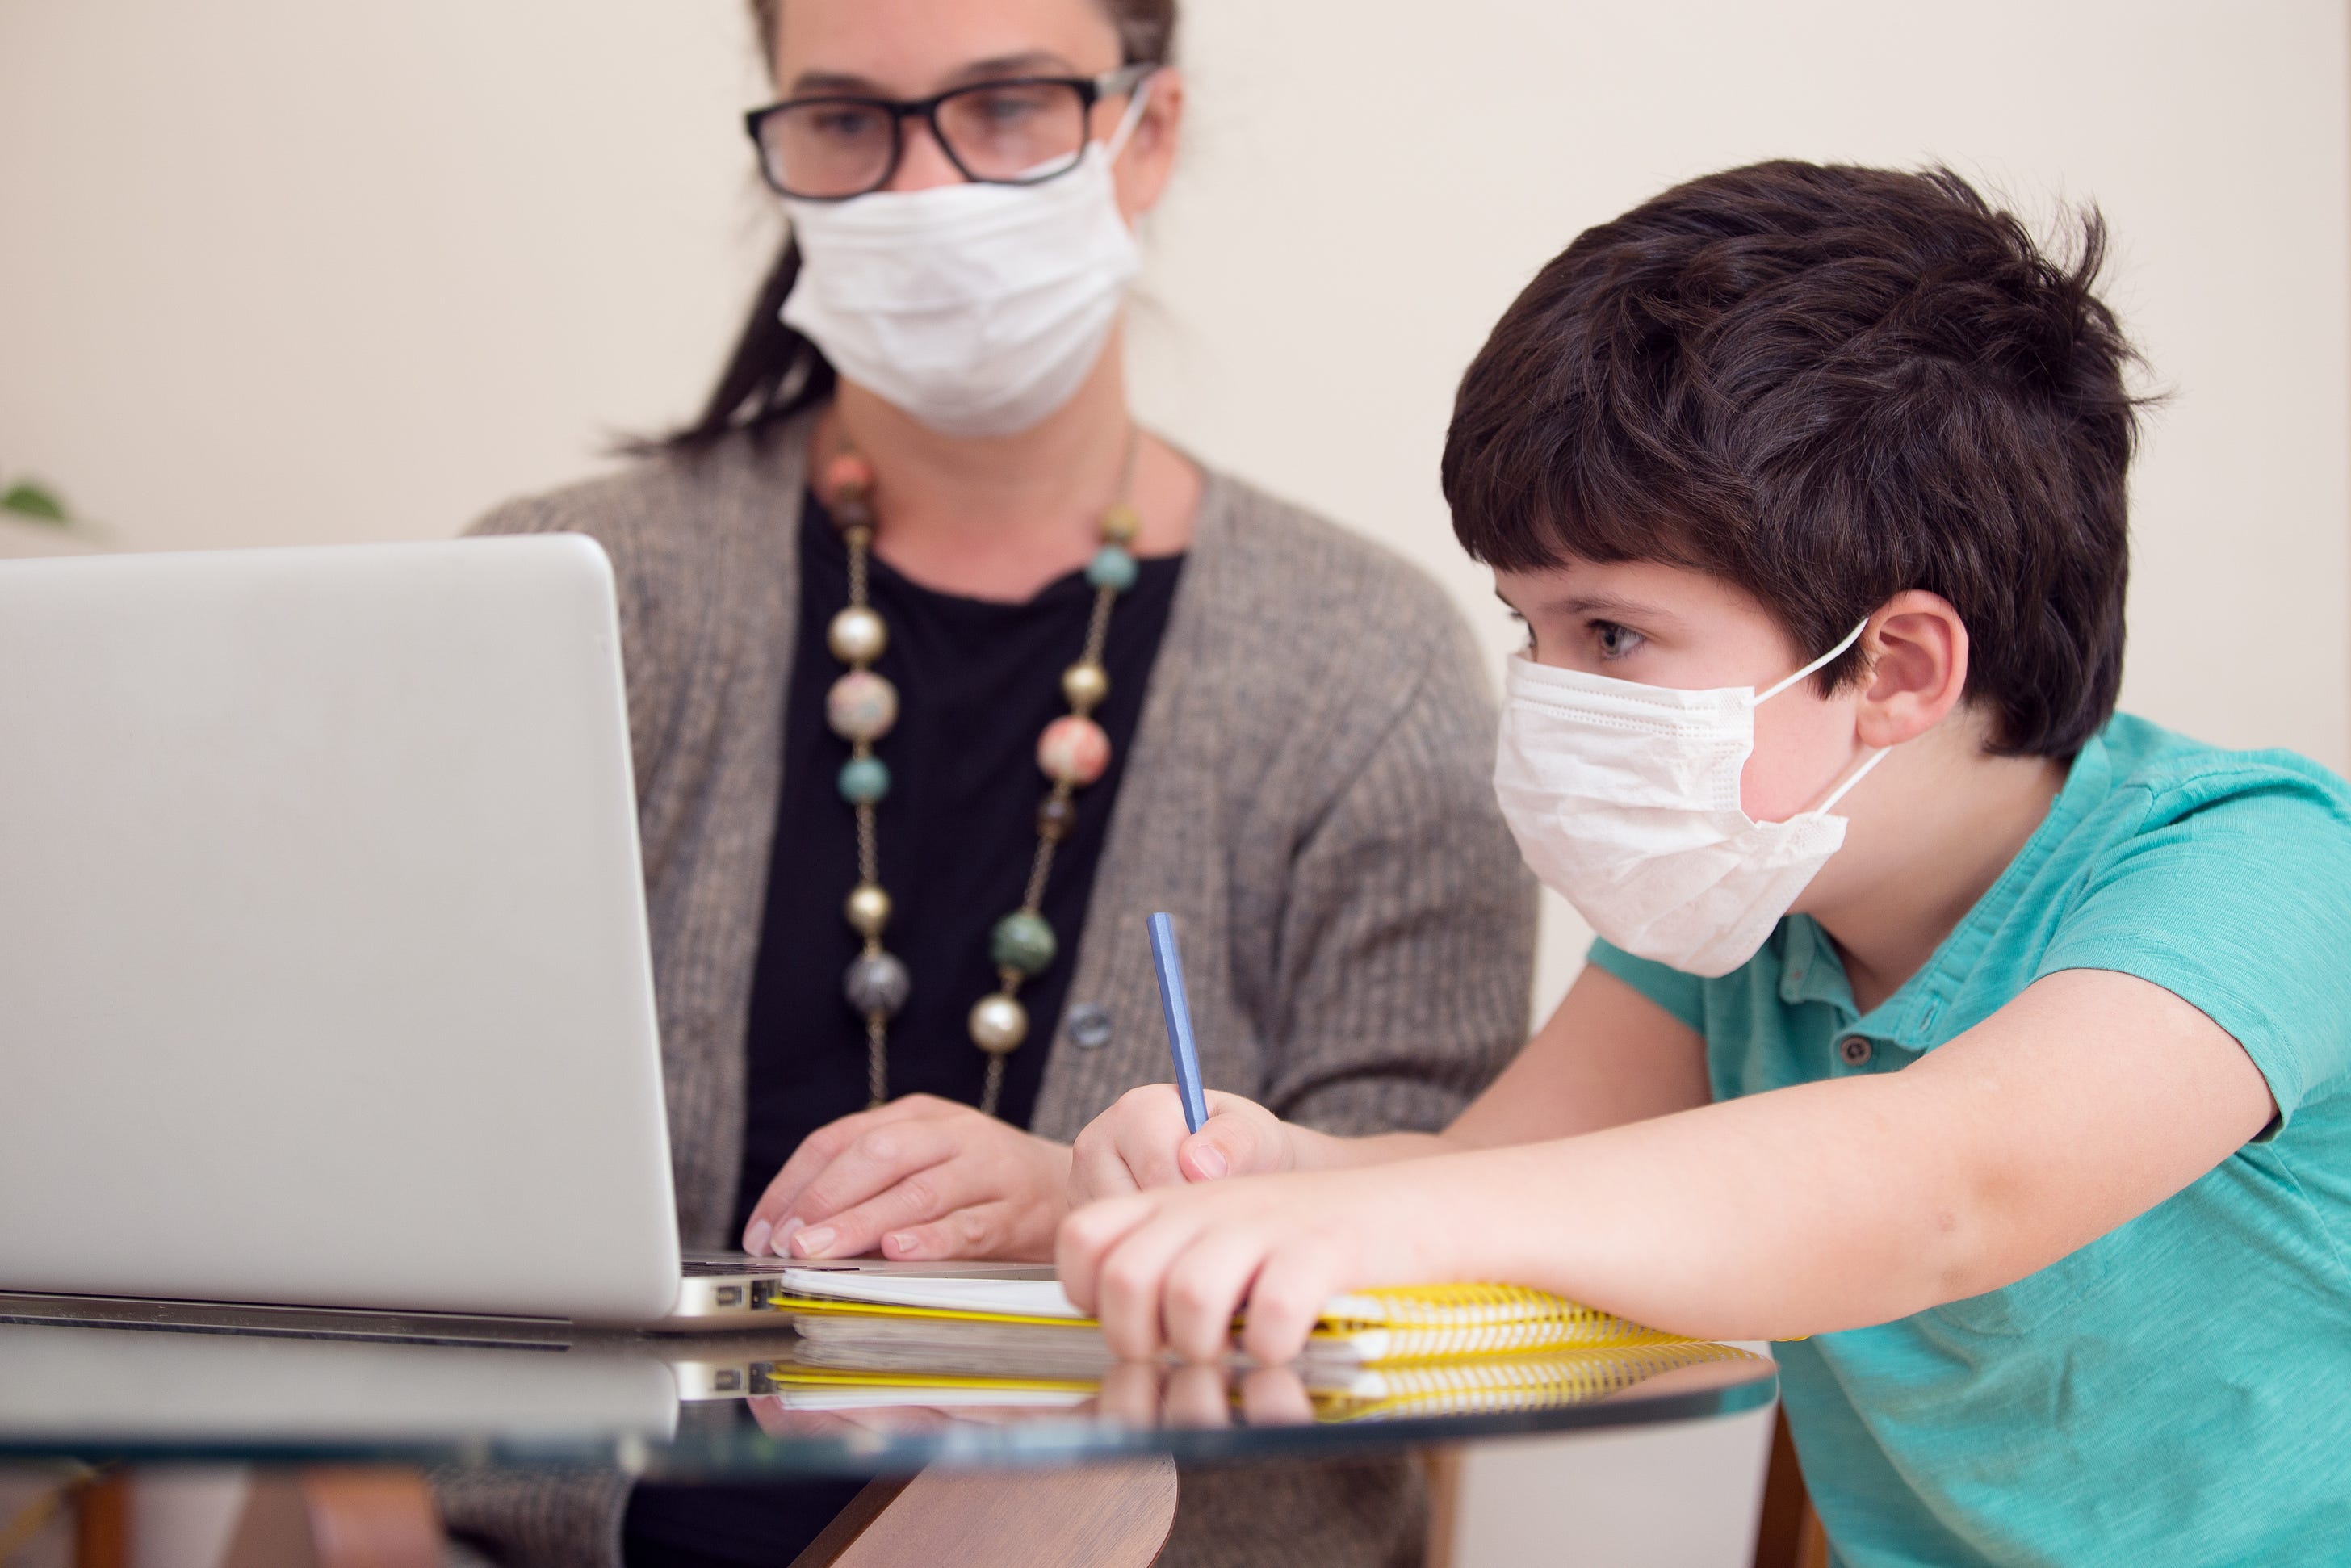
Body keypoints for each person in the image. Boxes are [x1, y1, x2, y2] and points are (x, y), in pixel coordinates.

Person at [1058, 161, 2351, 1566]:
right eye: (1528, 627)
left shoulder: (2264, 867)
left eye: (1610, 634)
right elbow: (1484, 1187)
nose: (1547, 692)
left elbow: (1952, 1189)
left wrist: (1375, 1207)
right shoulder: (1743, 906)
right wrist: (1270, 1170)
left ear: (1895, 666)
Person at [435, 1, 1534, 1564]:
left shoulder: (1370, 665)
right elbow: (391, 1143)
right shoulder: (573, 594)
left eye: (1005, 107)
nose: (921, 194)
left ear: (1145, 134)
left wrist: (1086, 1219)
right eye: (844, 121)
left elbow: (1439, 1258)